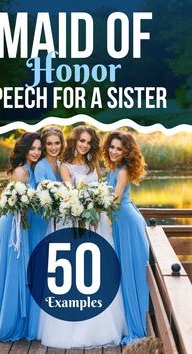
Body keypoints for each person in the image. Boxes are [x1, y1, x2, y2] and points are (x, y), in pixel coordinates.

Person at [37, 126, 127, 349]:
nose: (85, 145)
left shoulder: (94, 165)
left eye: (88, 142)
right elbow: (70, 196)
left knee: (97, 271)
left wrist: (98, 205)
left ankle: (99, 327)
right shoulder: (65, 167)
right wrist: (87, 206)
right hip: (75, 221)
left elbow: (102, 189)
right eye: (81, 141)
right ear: (75, 141)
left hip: (98, 222)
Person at [0, 132, 42, 341]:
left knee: (18, 272)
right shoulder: (21, 171)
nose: (36, 152)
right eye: (32, 148)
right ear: (24, 149)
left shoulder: (32, 169)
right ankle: (11, 325)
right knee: (14, 273)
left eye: (38, 148)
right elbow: (20, 205)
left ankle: (12, 321)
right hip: (13, 227)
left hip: (21, 225)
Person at [103, 131, 149, 345]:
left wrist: (86, 202)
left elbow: (113, 201)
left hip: (129, 225)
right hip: (121, 226)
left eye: (119, 148)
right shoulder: (113, 169)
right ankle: (128, 323)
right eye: (111, 147)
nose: (114, 151)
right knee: (124, 273)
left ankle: (137, 329)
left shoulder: (122, 171)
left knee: (132, 275)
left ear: (126, 152)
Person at [27, 126, 65, 340]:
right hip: (42, 221)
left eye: (56, 143)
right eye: (49, 144)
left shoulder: (61, 164)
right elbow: (46, 197)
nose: (53, 147)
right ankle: (37, 326)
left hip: (58, 220)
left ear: (62, 143)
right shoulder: (41, 166)